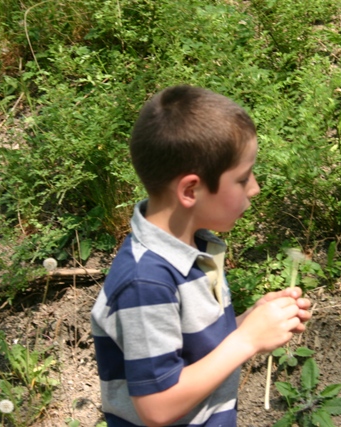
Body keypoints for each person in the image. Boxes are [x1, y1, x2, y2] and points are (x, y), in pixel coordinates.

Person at [91, 85, 311, 427]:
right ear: (190, 190)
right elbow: (157, 406)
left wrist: (254, 322)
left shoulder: (195, 251)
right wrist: (246, 339)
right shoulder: (145, 281)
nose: (254, 188)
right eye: (242, 179)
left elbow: (192, 355)